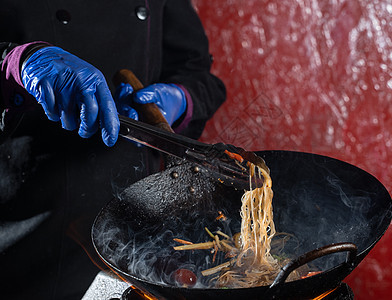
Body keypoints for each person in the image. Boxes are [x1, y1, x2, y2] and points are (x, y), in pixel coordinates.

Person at [0, 0, 226, 299]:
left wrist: (180, 98)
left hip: (142, 231)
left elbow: (197, 72)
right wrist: (16, 64)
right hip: (32, 230)